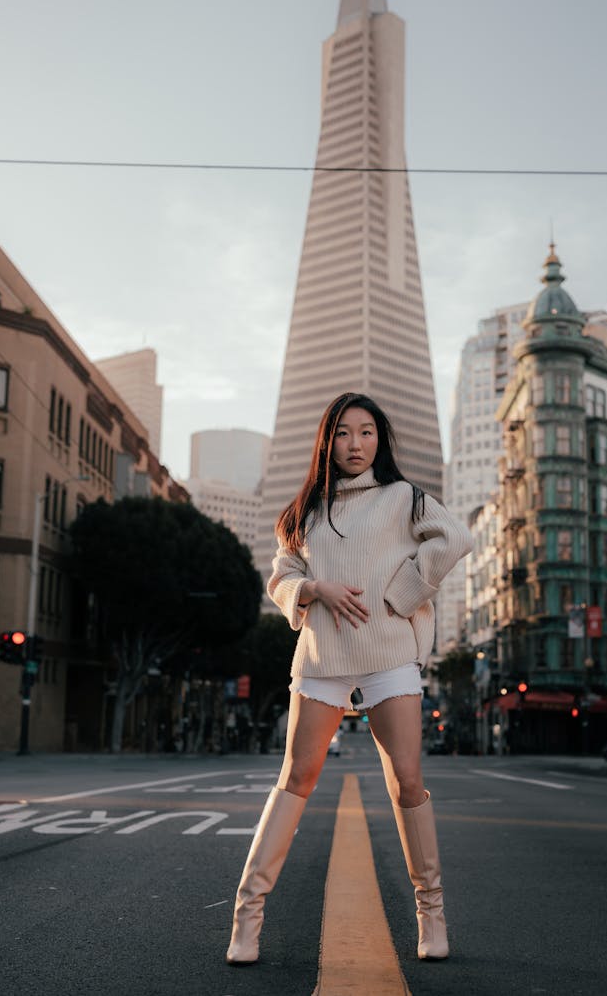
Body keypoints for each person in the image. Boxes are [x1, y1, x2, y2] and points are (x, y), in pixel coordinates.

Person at [225, 392, 472, 966]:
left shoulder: (405, 499)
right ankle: (247, 916)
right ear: (326, 442)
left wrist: (403, 594)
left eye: (365, 432)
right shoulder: (305, 511)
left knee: (407, 779)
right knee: (296, 777)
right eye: (342, 433)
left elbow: (456, 539)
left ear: (379, 440)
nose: (355, 444)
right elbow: (283, 574)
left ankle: (431, 913)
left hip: (389, 654)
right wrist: (315, 589)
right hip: (323, 656)